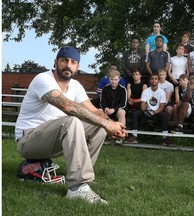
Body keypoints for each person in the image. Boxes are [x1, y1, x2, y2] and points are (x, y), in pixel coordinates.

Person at [15, 46, 127, 204]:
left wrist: (111, 124)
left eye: (73, 62)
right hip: (28, 140)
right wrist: (106, 123)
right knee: (72, 121)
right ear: (55, 62)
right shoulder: (43, 79)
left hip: (53, 139)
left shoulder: (75, 85)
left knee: (98, 127)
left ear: (77, 66)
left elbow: (94, 111)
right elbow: (67, 106)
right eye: (64, 60)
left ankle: (82, 177)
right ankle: (77, 188)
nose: (68, 65)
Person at [125, 74, 172, 146]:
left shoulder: (161, 92)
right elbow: (143, 105)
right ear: (150, 81)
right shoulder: (146, 91)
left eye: (156, 79)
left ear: (158, 81)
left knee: (163, 114)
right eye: (152, 79)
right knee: (136, 113)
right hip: (146, 112)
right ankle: (134, 136)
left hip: (156, 113)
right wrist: (146, 111)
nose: (154, 80)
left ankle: (165, 138)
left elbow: (162, 107)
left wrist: (154, 112)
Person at [100, 70, 127, 143]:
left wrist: (114, 109)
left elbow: (123, 103)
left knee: (122, 112)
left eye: (115, 79)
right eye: (112, 79)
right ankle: (101, 136)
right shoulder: (105, 89)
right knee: (99, 111)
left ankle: (120, 136)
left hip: (117, 110)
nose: (113, 81)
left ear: (119, 79)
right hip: (107, 110)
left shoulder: (123, 89)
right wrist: (105, 108)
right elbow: (102, 101)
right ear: (109, 79)